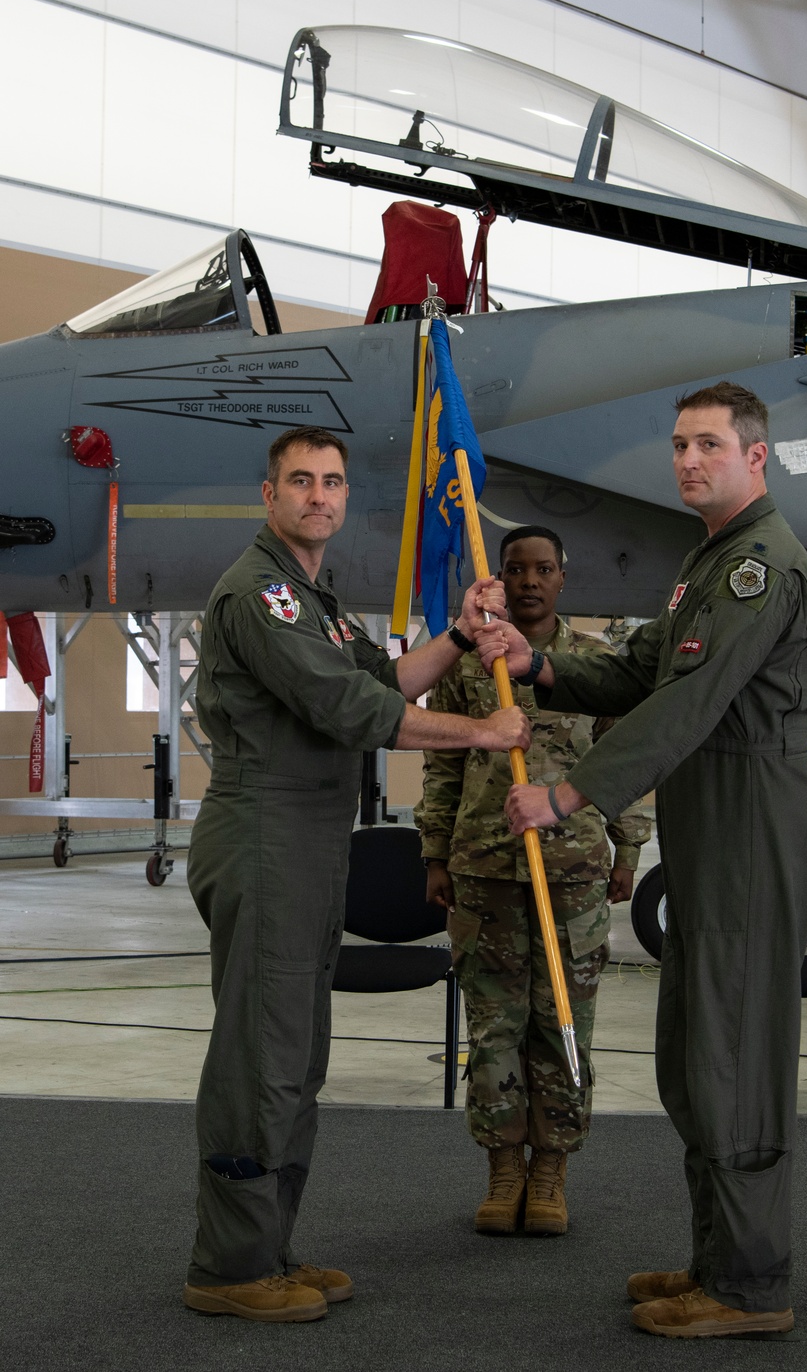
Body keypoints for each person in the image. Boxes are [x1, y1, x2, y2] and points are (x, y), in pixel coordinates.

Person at [479, 383, 807, 1339]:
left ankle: (752, 1286)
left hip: (752, 818)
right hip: (716, 820)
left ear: (755, 457)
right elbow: (643, 673)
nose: (688, 460)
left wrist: (569, 793)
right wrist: (540, 661)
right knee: (696, 1052)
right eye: (679, 445)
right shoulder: (711, 561)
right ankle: (719, 1259)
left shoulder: (759, 567)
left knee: (735, 1056)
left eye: (709, 445)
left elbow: (690, 705)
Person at [183, 425, 529, 1323]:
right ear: (270, 495)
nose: (319, 496)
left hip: (305, 838)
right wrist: (484, 734)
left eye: (332, 482)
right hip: (263, 832)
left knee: (296, 1058)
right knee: (262, 1056)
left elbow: (386, 676)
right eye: (300, 481)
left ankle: (268, 1248)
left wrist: (457, 633)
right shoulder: (262, 594)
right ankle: (228, 1266)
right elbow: (353, 709)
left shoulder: (316, 598)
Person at [415, 526, 649, 1237]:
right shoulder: (468, 663)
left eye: (543, 569)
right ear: (501, 579)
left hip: (571, 866)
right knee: (494, 1029)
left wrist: (627, 848)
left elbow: (625, 759)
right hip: (484, 867)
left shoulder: (594, 663)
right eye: (515, 569)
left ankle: (550, 1170)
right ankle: (503, 1169)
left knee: (562, 1024)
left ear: (561, 579)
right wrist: (433, 853)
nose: (528, 581)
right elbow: (443, 764)